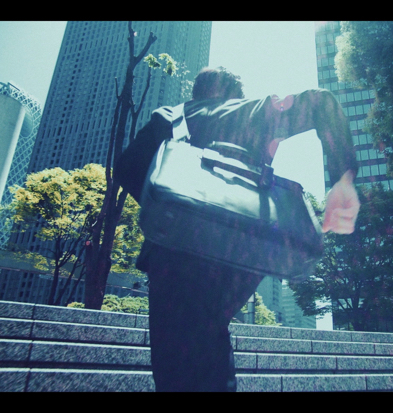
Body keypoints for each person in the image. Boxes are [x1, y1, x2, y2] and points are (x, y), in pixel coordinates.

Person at [115, 67, 360, 392]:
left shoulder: (170, 117)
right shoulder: (255, 110)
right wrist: (344, 178)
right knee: (209, 338)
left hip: (176, 249)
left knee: (179, 360)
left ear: (197, 93)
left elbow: (127, 168)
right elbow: (322, 103)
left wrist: (176, 206)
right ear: (236, 95)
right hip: (242, 249)